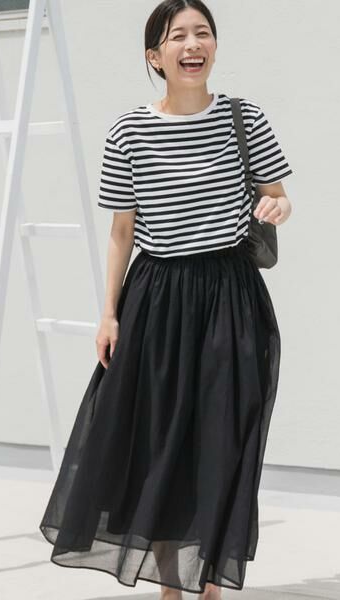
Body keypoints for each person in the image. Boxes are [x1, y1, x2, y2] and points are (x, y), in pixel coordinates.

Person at [39, 0, 294, 597]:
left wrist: (277, 206)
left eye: (203, 32)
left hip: (230, 297)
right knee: (158, 445)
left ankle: (209, 583)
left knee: (223, 441)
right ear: (155, 56)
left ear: (214, 47)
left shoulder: (244, 119)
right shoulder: (129, 131)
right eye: (177, 36)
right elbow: (122, 231)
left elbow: (278, 195)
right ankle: (170, 587)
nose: (192, 44)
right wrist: (108, 314)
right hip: (157, 300)